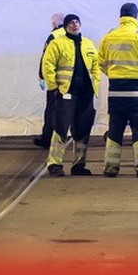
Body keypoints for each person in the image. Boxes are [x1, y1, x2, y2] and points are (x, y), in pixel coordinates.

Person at [98, 2, 138, 177]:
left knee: (115, 128)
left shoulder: (109, 36)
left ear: (121, 17)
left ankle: (110, 167)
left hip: (116, 91)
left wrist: (113, 73)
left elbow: (101, 62)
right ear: (136, 17)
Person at [42, 13, 100, 176]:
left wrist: (94, 83)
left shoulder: (88, 44)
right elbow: (48, 66)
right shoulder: (57, 44)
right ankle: (54, 164)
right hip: (66, 94)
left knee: (83, 130)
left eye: (76, 22)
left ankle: (79, 165)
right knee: (60, 128)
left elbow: (95, 65)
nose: (74, 25)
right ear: (66, 26)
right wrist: (54, 88)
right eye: (71, 22)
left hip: (85, 95)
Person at [34, 12, 63, 148]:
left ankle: (47, 138)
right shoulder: (76, 35)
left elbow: (45, 58)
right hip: (72, 80)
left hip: (55, 79)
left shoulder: (54, 35)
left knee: (51, 109)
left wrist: (41, 75)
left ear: (54, 23)